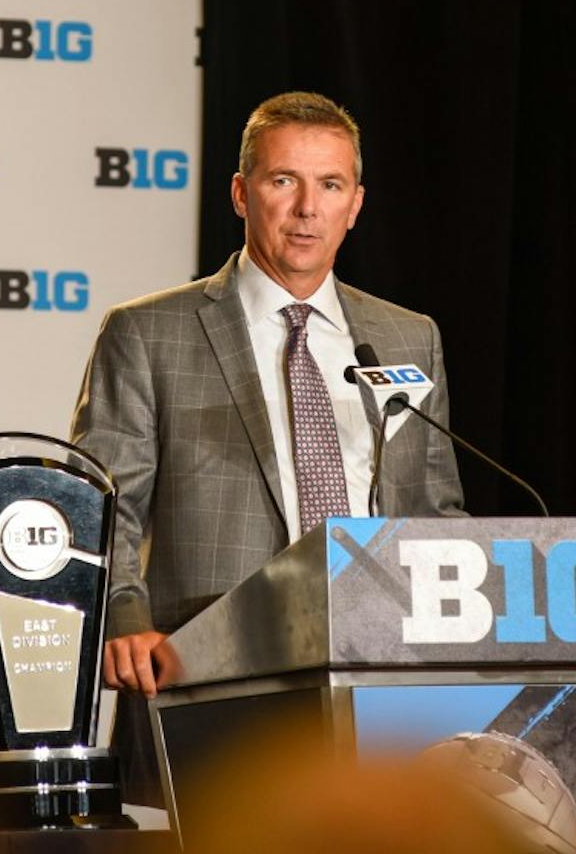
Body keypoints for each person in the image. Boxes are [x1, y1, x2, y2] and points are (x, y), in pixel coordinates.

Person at [70, 91, 464, 796]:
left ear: (355, 204)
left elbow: (435, 511)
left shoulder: (408, 337)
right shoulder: (150, 332)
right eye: (284, 180)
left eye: (330, 185)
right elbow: (104, 502)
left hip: (381, 680)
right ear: (240, 193)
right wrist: (123, 618)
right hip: (211, 672)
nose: (307, 208)